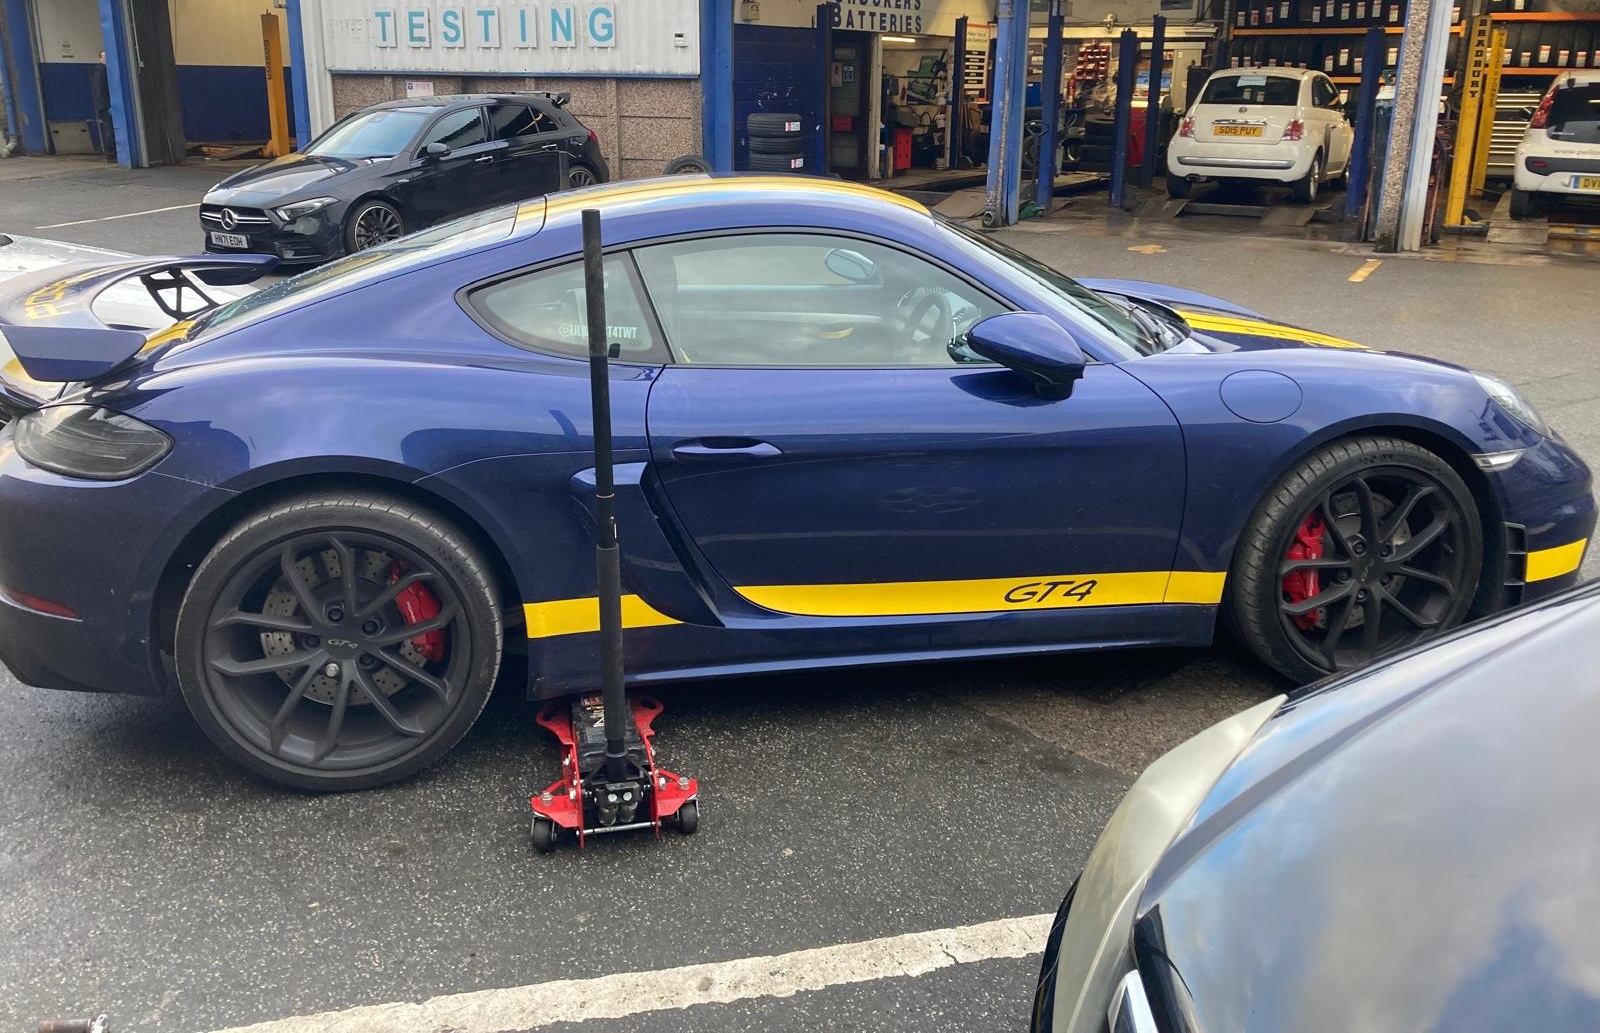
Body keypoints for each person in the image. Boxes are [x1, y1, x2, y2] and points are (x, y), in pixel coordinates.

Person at [90, 51, 115, 162]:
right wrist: (106, 106)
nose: (106, 59)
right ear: (100, 59)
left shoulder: (105, 72)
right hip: (105, 107)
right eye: (104, 57)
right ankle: (111, 154)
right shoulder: (100, 73)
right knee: (109, 130)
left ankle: (112, 153)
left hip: (107, 106)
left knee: (111, 130)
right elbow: (100, 92)